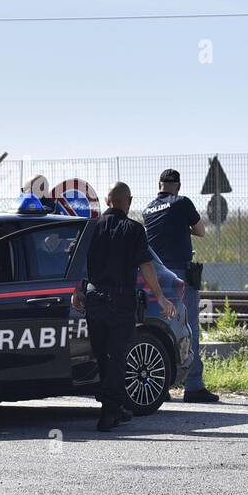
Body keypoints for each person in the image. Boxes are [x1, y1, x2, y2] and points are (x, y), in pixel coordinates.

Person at [72, 182, 177, 432]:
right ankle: (110, 411)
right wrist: (160, 297)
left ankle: (115, 407)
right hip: (121, 302)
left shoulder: (90, 228)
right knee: (117, 356)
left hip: (95, 300)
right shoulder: (134, 230)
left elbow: (77, 263)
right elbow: (146, 266)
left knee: (103, 356)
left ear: (108, 201)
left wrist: (77, 290)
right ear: (128, 201)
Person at [143, 168, 216, 403]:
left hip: (155, 276)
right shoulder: (182, 202)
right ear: (179, 185)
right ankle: (193, 386)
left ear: (159, 184)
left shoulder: (147, 209)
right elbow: (201, 231)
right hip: (179, 276)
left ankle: (160, 386)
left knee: (161, 328)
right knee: (190, 328)